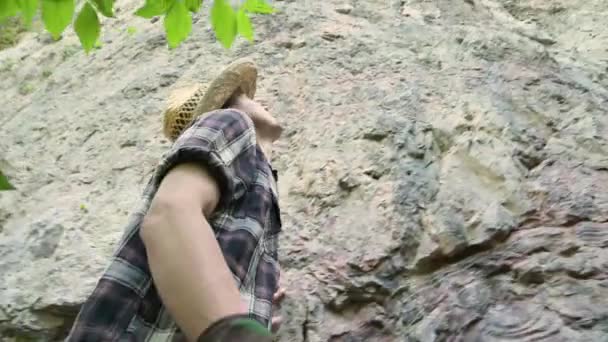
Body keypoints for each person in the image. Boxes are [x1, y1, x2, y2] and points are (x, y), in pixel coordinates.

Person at [66, 59, 285, 341]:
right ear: (228, 104)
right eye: (240, 95)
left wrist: (259, 298)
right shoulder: (229, 121)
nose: (257, 101)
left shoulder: (258, 175)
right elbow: (170, 215)